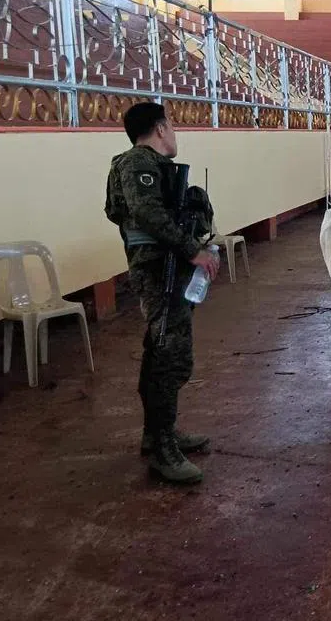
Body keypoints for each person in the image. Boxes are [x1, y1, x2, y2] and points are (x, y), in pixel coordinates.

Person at [104, 102, 221, 484]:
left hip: (166, 269)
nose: (174, 132)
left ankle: (158, 434)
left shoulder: (146, 166)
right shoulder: (138, 162)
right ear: (159, 129)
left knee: (160, 352)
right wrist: (193, 250)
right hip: (159, 272)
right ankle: (162, 450)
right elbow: (147, 214)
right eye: (171, 125)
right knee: (170, 356)